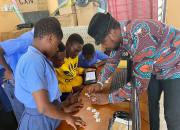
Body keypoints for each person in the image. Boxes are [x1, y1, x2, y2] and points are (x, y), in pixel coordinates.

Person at [87, 13, 180, 130]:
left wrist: (108, 98)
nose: (104, 46)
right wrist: (100, 83)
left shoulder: (140, 35)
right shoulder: (120, 35)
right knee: (151, 105)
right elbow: (112, 61)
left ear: (111, 33)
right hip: (156, 65)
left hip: (175, 64)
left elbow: (139, 83)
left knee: (172, 115)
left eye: (103, 41)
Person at [15, 17, 86, 130]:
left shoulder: (40, 59)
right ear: (50, 38)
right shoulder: (33, 61)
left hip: (46, 116)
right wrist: (67, 117)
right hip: (38, 122)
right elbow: (43, 107)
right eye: (57, 44)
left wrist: (63, 107)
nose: (57, 48)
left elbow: (47, 101)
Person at [0, 28, 34, 122]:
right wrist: (8, 70)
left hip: (17, 79)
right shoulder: (28, 40)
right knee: (21, 113)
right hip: (9, 77)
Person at [55, 33, 85, 101]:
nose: (77, 54)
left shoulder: (74, 56)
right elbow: (55, 87)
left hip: (78, 84)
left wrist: (83, 71)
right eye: (76, 50)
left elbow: (74, 69)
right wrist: (72, 88)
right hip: (67, 91)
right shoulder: (57, 60)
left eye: (79, 51)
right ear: (68, 44)